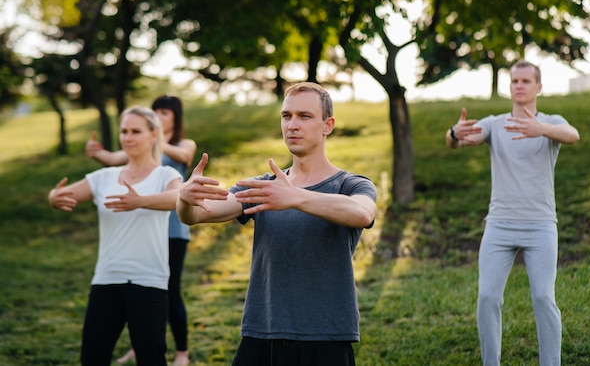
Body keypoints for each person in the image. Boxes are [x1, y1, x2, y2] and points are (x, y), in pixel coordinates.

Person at [176, 82, 378, 366]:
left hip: (325, 340)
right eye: (287, 116)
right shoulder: (265, 186)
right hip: (261, 336)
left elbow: (362, 214)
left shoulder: (350, 184)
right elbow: (197, 215)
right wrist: (185, 199)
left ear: (327, 125)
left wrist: (295, 197)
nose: (292, 125)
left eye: (304, 116)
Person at [445, 60, 580, 366]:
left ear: (538, 87)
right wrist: (453, 133)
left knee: (544, 298)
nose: (519, 85)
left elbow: (573, 135)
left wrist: (540, 129)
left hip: (541, 226)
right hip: (499, 226)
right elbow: (458, 142)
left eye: (525, 81)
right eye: (514, 81)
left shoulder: (551, 121)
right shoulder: (495, 124)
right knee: (487, 298)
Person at [48, 106, 183, 366]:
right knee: (93, 357)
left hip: (148, 280)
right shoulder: (103, 177)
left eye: (135, 131)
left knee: (151, 359)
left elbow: (178, 197)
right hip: (107, 279)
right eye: (124, 131)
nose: (128, 137)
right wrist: (54, 197)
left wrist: (140, 201)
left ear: (153, 135)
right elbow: (62, 194)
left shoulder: (166, 175)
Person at [85, 95, 196, 366]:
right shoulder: (139, 143)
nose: (159, 114)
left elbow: (184, 157)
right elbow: (114, 157)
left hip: (173, 227)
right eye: (155, 110)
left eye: (164, 112)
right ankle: (139, 342)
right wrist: (96, 151)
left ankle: (181, 351)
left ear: (175, 117)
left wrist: (155, 138)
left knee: (169, 291)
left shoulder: (182, 144)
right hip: (141, 225)